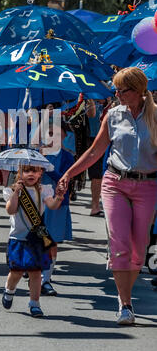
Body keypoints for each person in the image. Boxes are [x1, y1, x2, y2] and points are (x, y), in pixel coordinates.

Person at [58, 67, 157, 325]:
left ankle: (126, 291)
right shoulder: (113, 115)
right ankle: (126, 303)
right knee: (120, 243)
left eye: (121, 90)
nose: (116, 94)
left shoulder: (155, 117)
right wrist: (68, 174)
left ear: (137, 91)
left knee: (139, 248)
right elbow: (94, 152)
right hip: (115, 184)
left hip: (147, 186)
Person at [2, 165, 66, 317]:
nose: (31, 174)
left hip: (36, 238)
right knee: (16, 272)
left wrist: (59, 196)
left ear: (40, 173)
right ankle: (9, 290)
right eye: (27, 171)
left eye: (34, 171)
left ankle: (34, 303)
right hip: (18, 238)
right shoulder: (12, 190)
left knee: (36, 272)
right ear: (20, 173)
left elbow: (52, 205)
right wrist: (16, 193)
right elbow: (10, 210)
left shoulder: (44, 190)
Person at [41, 121, 75, 296]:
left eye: (57, 133)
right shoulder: (36, 154)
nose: (52, 137)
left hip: (57, 202)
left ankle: (46, 279)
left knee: (51, 240)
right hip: (37, 203)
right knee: (35, 239)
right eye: (49, 133)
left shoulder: (68, 157)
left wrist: (46, 165)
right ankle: (33, 268)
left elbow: (63, 178)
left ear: (64, 136)